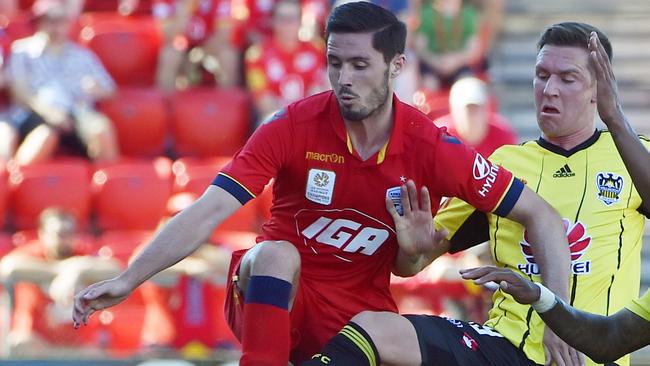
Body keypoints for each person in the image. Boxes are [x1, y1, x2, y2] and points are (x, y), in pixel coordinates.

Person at [73, 3, 572, 365]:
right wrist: (127, 278)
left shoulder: (433, 148)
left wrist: (559, 320)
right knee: (274, 253)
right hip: (278, 300)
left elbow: (542, 216)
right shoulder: (291, 125)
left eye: (360, 65)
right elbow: (208, 210)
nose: (344, 78)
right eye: (335, 62)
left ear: (397, 67)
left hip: (362, 322)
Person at [302, 23, 650, 366]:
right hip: (502, 348)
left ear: (598, 89)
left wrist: (616, 118)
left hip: (583, 357)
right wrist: (413, 249)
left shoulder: (634, 158)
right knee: (372, 330)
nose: (549, 89)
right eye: (542, 75)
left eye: (567, 78)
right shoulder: (502, 165)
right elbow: (414, 264)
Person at [4, 0, 119, 165]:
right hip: (35, 114)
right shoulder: (22, 51)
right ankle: (16, 179)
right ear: (39, 23)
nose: (55, 26)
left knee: (102, 129)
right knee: (44, 137)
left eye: (60, 20)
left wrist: (96, 89)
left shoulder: (82, 55)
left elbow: (111, 90)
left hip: (76, 113)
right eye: (50, 20)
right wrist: (50, 112)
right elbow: (20, 94)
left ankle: (108, 184)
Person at [0, 208, 120, 355]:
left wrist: (78, 269)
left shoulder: (82, 255)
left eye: (69, 233)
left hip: (78, 345)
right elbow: (7, 267)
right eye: (58, 234)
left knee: (100, 353)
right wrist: (64, 270)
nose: (64, 239)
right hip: (36, 342)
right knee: (18, 344)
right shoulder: (32, 255)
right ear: (42, 234)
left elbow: (115, 270)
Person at [244, 0, 327, 123]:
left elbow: (318, 94)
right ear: (272, 21)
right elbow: (264, 103)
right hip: (276, 120)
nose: (287, 24)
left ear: (300, 21)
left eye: (292, 18)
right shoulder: (256, 56)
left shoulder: (316, 50)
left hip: (310, 118)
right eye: (282, 18)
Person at [154, 0, 241, 90]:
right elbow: (167, 36)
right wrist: (185, 11)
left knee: (228, 56)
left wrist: (200, 54)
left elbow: (224, 35)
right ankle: (166, 101)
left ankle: (227, 101)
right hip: (183, 48)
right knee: (169, 55)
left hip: (209, 47)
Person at [434, 76, 517, 157]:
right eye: (467, 109)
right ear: (454, 111)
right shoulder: (440, 135)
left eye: (477, 108)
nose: (473, 115)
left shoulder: (502, 135)